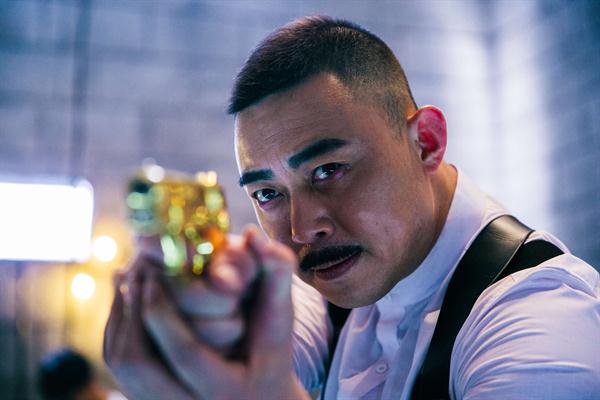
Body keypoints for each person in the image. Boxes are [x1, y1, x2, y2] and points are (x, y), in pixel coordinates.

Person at [104, 16, 600, 399]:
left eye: (328, 170)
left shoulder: (542, 318)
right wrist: (207, 322)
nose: (302, 229)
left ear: (426, 142)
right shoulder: (329, 283)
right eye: (268, 194)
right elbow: (268, 332)